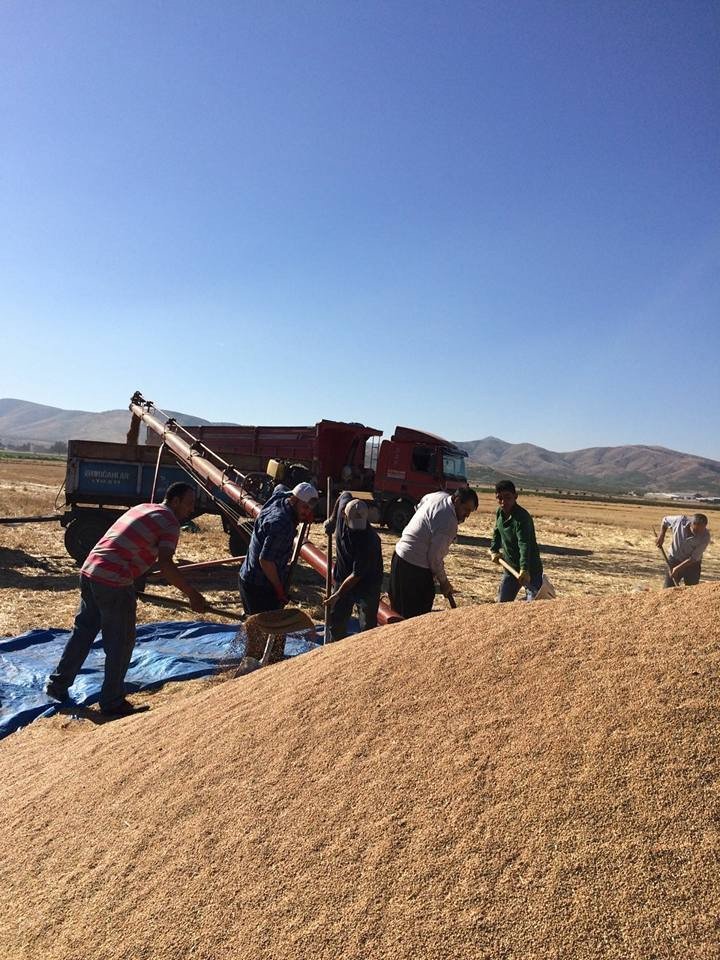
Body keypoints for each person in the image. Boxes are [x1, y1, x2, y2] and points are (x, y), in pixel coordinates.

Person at [45, 482, 208, 716]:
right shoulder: (170, 522)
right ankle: (112, 702)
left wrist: (137, 577)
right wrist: (193, 595)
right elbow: (165, 563)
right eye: (189, 504)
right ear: (175, 501)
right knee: (120, 642)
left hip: (90, 570)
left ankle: (57, 685)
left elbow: (129, 545)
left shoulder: (143, 508)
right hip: (113, 580)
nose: (191, 510)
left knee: (84, 631)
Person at [389, 487, 479, 619]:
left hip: (399, 556)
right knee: (414, 615)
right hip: (413, 568)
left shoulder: (439, 496)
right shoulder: (448, 522)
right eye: (466, 510)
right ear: (457, 500)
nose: (467, 515)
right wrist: (444, 582)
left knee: (399, 608)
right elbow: (434, 558)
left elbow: (420, 504)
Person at [238, 482, 319, 614]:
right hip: (259, 587)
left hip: (248, 576)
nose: (307, 512)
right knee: (265, 630)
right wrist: (279, 589)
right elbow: (265, 560)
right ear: (294, 500)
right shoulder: (282, 524)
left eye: (310, 509)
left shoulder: (279, 497)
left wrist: (303, 515)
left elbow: (280, 487)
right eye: (305, 507)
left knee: (261, 628)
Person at [324, 498, 384, 642]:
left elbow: (356, 575)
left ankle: (365, 654)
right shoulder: (341, 515)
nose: (357, 528)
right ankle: (334, 650)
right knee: (337, 619)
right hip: (342, 574)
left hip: (367, 583)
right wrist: (331, 520)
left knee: (367, 626)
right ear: (344, 515)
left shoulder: (370, 541)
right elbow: (343, 495)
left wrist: (337, 594)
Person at [489, 480, 543, 602]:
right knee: (502, 603)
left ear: (515, 496)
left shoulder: (522, 518)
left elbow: (524, 544)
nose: (503, 502)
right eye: (499, 498)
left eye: (507, 497)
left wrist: (524, 568)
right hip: (511, 567)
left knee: (534, 603)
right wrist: (494, 550)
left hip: (530, 569)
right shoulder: (500, 513)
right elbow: (497, 531)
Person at [657, 513, 710, 587]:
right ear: (691, 524)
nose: (698, 533)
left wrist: (677, 569)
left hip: (692, 565)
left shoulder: (705, 536)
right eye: (696, 530)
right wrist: (661, 535)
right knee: (668, 589)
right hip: (674, 560)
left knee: (692, 591)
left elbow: (693, 558)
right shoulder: (679, 521)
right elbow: (665, 520)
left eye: (701, 530)